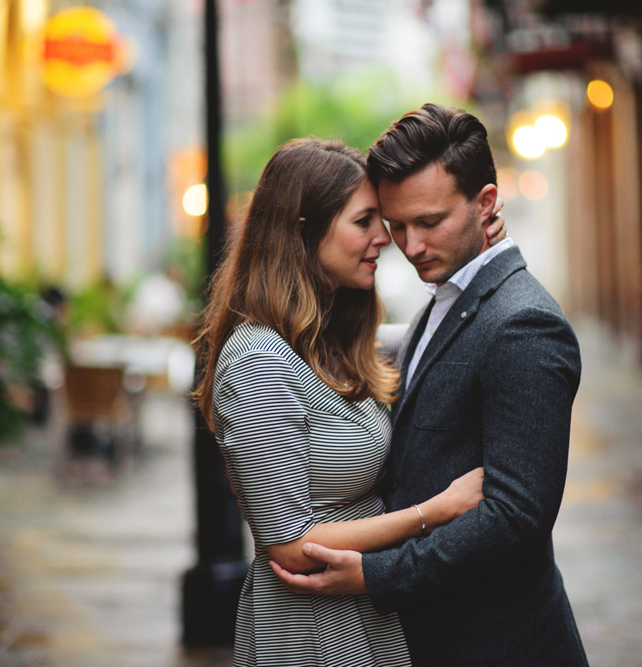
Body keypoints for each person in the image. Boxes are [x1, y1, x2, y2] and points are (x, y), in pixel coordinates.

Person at [272, 104, 590, 666]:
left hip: (499, 643)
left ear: (485, 203)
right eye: (397, 225)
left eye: (430, 222)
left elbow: (515, 517)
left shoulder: (523, 324)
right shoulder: (447, 300)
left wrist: (374, 575)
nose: (411, 245)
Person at [193, 138, 504, 667]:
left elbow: (440, 338)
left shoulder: (327, 343)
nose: (386, 238)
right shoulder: (258, 361)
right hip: (309, 627)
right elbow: (291, 545)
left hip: (363, 614)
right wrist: (433, 513)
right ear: (303, 229)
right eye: (365, 221)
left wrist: (477, 254)